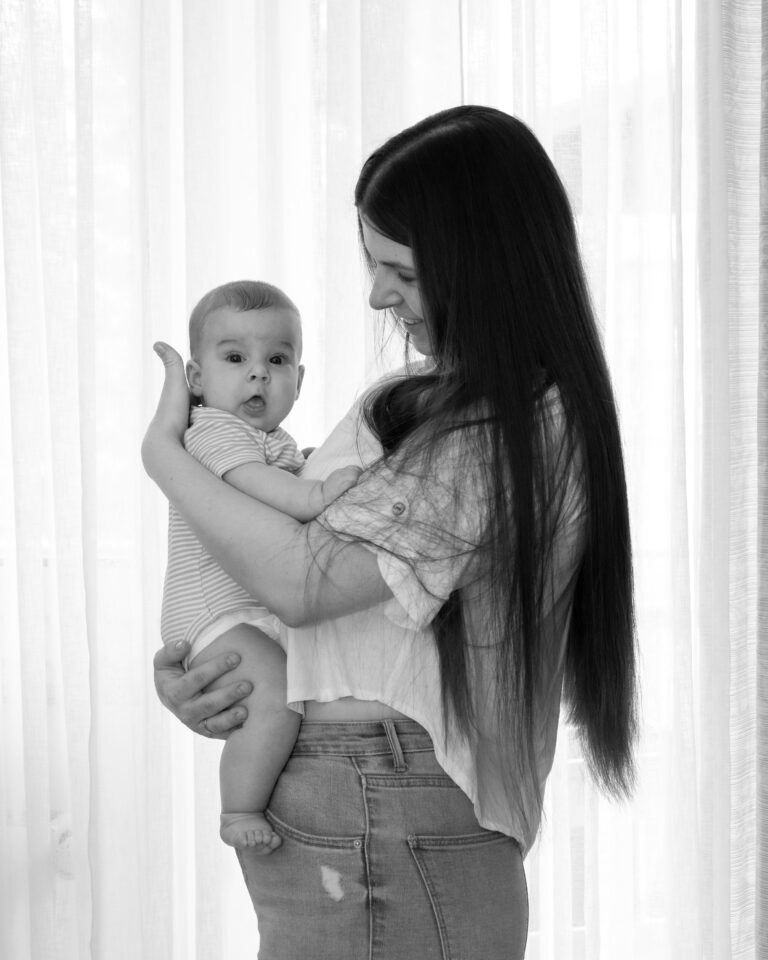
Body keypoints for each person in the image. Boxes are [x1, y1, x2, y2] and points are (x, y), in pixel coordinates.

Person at [143, 105, 638, 960]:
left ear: (481, 264)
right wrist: (224, 674)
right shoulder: (449, 402)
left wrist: (164, 454)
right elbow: (316, 602)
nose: (376, 294)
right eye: (373, 265)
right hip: (368, 790)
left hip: (381, 795)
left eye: (400, 270)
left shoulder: (505, 426)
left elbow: (302, 582)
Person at [160, 279, 361, 851]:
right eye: (234, 358)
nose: (258, 374)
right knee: (273, 695)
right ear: (196, 379)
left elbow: (277, 477)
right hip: (213, 610)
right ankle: (238, 811)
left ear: (300, 379)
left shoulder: (272, 439)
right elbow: (254, 483)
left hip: (248, 605)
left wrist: (310, 468)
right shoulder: (211, 429)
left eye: (277, 360)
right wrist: (314, 492)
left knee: (285, 695)